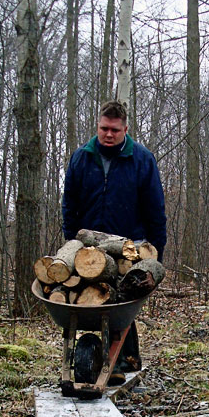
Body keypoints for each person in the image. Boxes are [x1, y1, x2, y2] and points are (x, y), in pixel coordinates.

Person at [62, 100, 167, 383]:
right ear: (98, 126)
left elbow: (155, 209)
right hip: (89, 248)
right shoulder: (82, 157)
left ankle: (119, 360)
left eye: (115, 130)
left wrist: (155, 256)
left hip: (128, 249)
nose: (108, 134)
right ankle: (115, 358)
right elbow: (69, 203)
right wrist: (70, 243)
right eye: (103, 128)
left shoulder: (142, 159)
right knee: (93, 301)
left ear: (125, 130)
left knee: (122, 300)